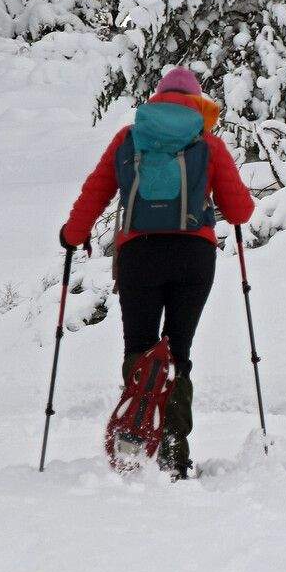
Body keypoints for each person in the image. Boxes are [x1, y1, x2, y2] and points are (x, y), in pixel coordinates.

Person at [59, 66, 254, 478]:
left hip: (139, 256)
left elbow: (96, 189)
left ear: (157, 100)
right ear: (197, 103)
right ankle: (172, 448)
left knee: (140, 348)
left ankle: (133, 442)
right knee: (177, 352)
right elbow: (241, 211)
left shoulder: (130, 139)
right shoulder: (208, 142)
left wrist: (73, 233)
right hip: (193, 257)